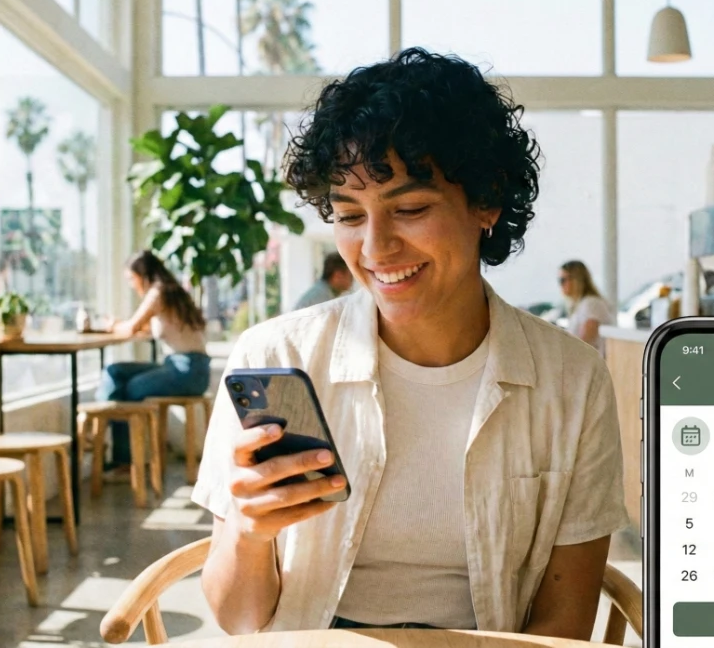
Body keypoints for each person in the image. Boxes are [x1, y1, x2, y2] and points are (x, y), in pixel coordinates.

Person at [191, 48, 629, 638]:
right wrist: (247, 530)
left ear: (487, 201)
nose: (375, 249)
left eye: (411, 208)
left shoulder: (571, 382)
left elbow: (562, 624)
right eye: (349, 216)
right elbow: (238, 620)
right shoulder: (277, 358)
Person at [97, 251, 211, 465]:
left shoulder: (157, 292)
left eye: (132, 278)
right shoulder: (172, 291)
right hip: (191, 369)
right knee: (115, 371)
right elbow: (148, 328)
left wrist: (112, 325)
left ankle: (119, 455)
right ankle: (103, 425)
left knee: (126, 390)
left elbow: (130, 328)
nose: (131, 284)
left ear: (143, 275)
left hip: (185, 371)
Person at [559, 260, 615, 355]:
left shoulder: (591, 304)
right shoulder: (582, 304)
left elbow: (584, 343)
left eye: (562, 280)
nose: (561, 285)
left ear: (575, 279)